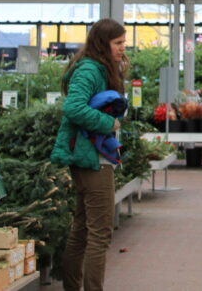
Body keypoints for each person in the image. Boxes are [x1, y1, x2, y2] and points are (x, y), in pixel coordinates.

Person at [50, 18, 128, 291]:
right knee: (100, 234)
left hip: (91, 157)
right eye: (118, 43)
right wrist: (109, 123)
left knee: (83, 230)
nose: (122, 48)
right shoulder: (90, 70)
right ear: (102, 43)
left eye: (123, 42)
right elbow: (73, 107)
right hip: (93, 159)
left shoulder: (96, 68)